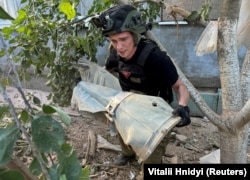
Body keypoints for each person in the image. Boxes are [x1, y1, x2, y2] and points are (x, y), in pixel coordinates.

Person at [91, 4, 191, 166]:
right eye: (114, 41)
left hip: (155, 110)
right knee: (123, 129)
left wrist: (183, 106)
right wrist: (89, 79)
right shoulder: (115, 53)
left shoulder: (155, 58)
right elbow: (107, 70)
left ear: (135, 36)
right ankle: (128, 154)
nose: (119, 47)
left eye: (123, 39)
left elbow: (180, 86)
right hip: (128, 102)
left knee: (152, 149)